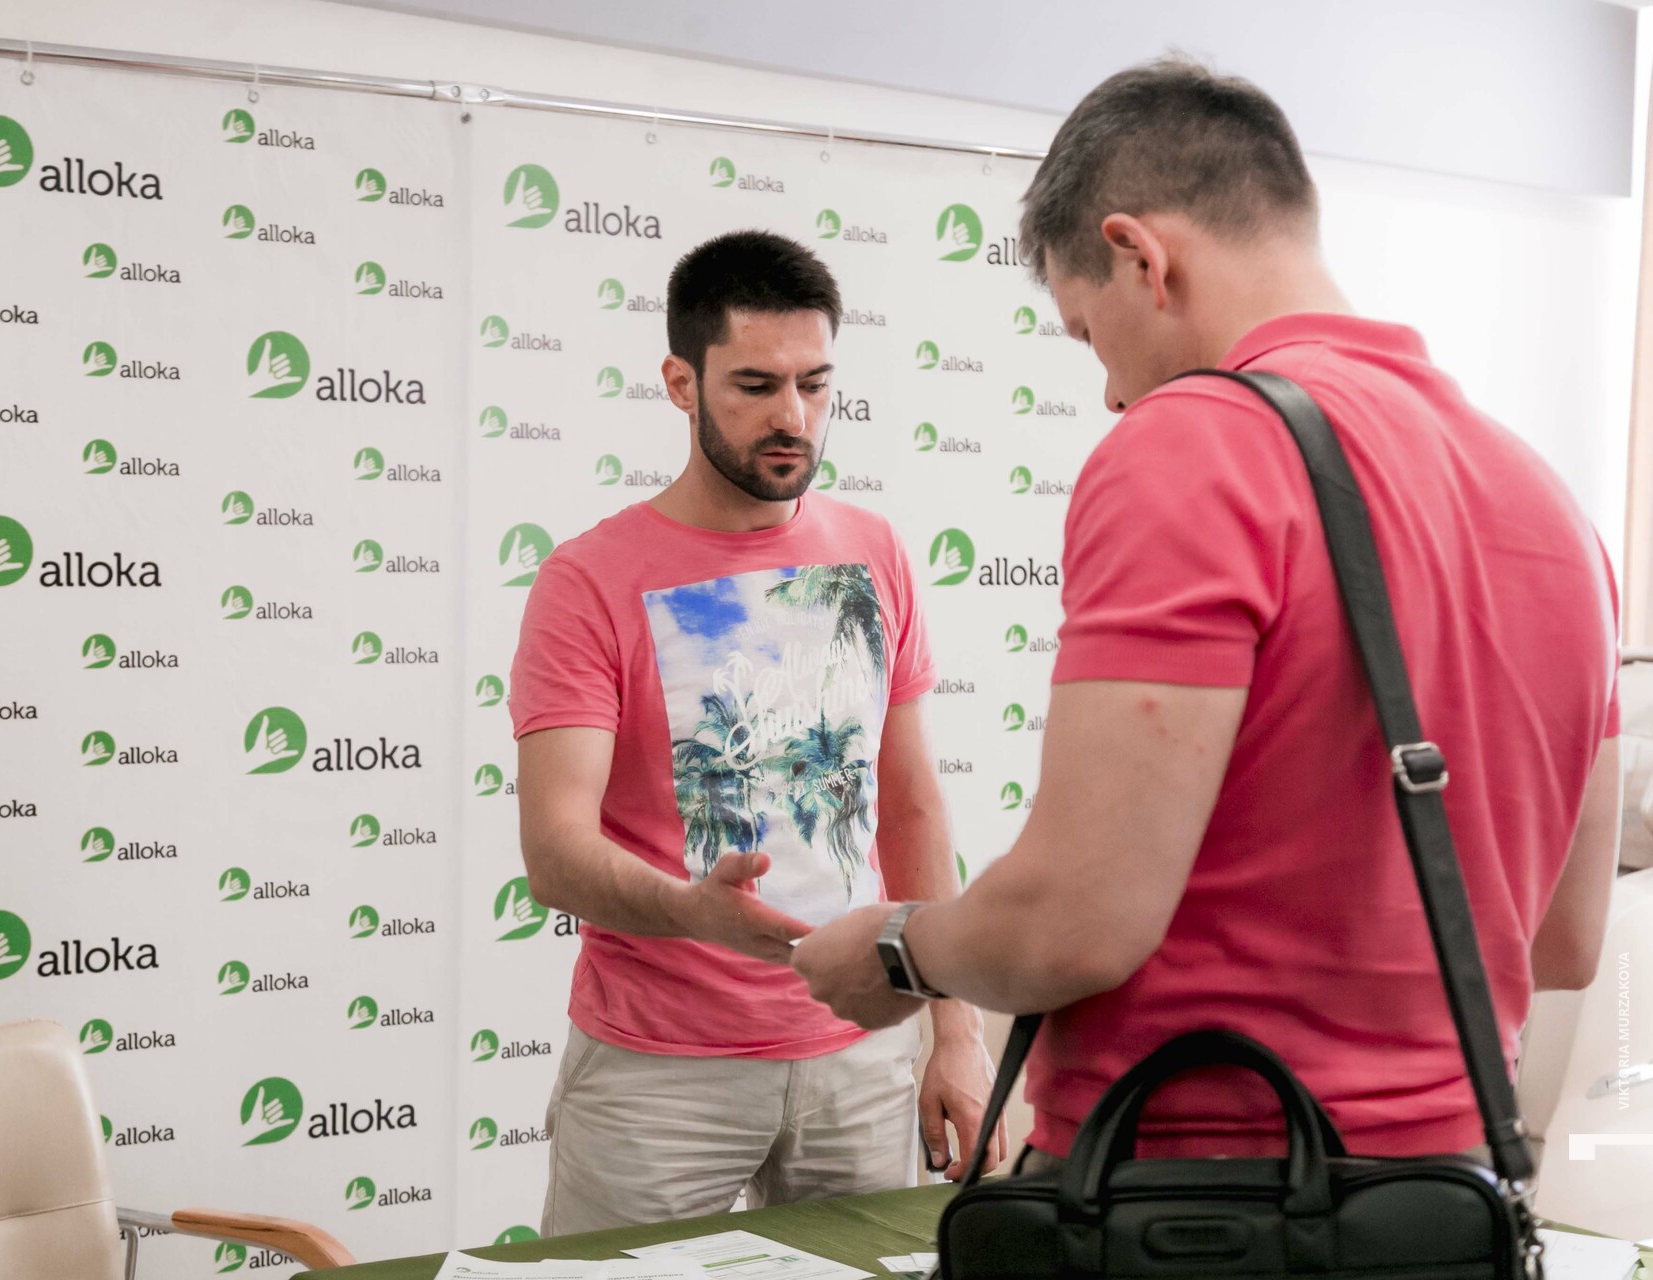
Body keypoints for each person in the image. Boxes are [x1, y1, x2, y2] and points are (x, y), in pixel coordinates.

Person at [793, 57, 1622, 1171]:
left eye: (1088, 332)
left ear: (1143, 256)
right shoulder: (1552, 503)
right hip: (1446, 1191)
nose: (1109, 391)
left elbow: (1073, 919)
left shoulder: (1198, 442)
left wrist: (898, 950)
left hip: (1192, 1193)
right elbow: (1562, 942)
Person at [510, 230, 1003, 1231]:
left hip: (861, 1047)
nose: (793, 417)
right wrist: (693, 912)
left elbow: (911, 806)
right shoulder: (589, 580)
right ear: (680, 383)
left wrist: (954, 1030)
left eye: (815, 385)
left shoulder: (873, 551)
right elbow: (556, 852)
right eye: (755, 385)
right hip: (658, 1073)